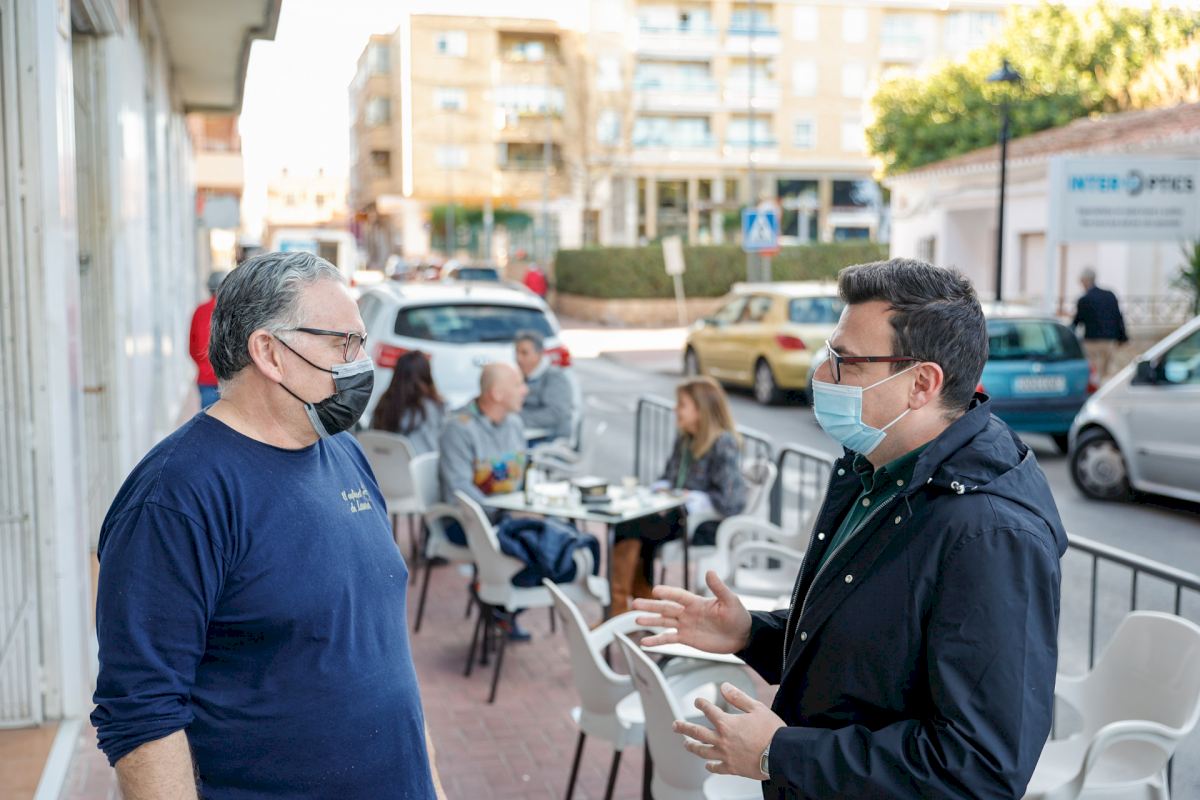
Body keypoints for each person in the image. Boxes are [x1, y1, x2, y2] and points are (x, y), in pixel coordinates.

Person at [634, 258, 1067, 798]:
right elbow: (868, 646)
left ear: (922, 383)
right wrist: (751, 633)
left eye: (846, 362)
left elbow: (978, 769)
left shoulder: (991, 534)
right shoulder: (877, 473)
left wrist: (780, 753)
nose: (821, 376)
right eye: (827, 355)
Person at [91, 251, 435, 800]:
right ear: (270, 352)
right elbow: (142, 714)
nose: (360, 362)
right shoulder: (175, 498)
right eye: (342, 343)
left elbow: (386, 658)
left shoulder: (345, 453)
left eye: (361, 343)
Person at [610, 377, 746, 616]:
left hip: (702, 525)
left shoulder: (723, 443)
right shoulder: (685, 439)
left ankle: (624, 607)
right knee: (628, 522)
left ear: (701, 410)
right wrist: (663, 488)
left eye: (682, 405)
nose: (675, 410)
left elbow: (731, 500)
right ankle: (637, 602)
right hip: (675, 514)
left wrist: (692, 497)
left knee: (634, 527)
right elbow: (669, 477)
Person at [438, 362, 532, 638]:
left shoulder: (515, 424)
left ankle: (498, 602)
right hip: (466, 523)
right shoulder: (458, 428)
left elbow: (522, 478)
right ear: (497, 394)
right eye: (518, 384)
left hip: (506, 519)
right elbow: (460, 489)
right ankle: (497, 601)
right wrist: (505, 509)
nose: (525, 390)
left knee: (554, 543)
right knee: (534, 547)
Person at [372, 350, 445, 453]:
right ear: (427, 376)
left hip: (381, 461)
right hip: (418, 462)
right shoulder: (433, 407)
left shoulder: (383, 403)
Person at [514, 329, 577, 442]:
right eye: (516, 353)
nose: (518, 358)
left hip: (548, 440)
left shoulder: (554, 377)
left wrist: (515, 419)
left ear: (539, 354)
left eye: (524, 353)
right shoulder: (521, 376)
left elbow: (556, 413)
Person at [1072, 266, 1128, 381]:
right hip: (1109, 340)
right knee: (1105, 372)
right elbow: (1118, 317)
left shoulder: (1084, 299)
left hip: (1091, 342)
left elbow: (1077, 321)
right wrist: (1123, 337)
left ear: (1085, 281)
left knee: (1094, 373)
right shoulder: (1110, 295)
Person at [188, 271, 225, 409]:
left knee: (208, 419)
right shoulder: (231, 310)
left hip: (206, 378)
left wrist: (204, 365)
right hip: (231, 380)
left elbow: (192, 347)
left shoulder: (200, 311)